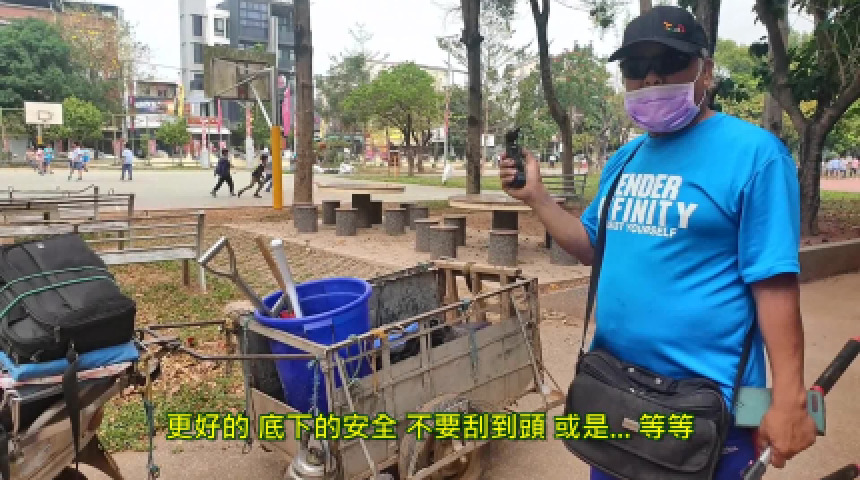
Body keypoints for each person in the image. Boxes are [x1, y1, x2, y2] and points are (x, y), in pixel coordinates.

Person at [499, 6, 815, 479]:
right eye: (636, 66)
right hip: (616, 395)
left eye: (669, 61)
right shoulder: (625, 159)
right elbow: (591, 246)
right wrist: (538, 198)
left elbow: (774, 285)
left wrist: (789, 400)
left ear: (705, 71)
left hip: (704, 409)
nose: (650, 78)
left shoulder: (755, 156)